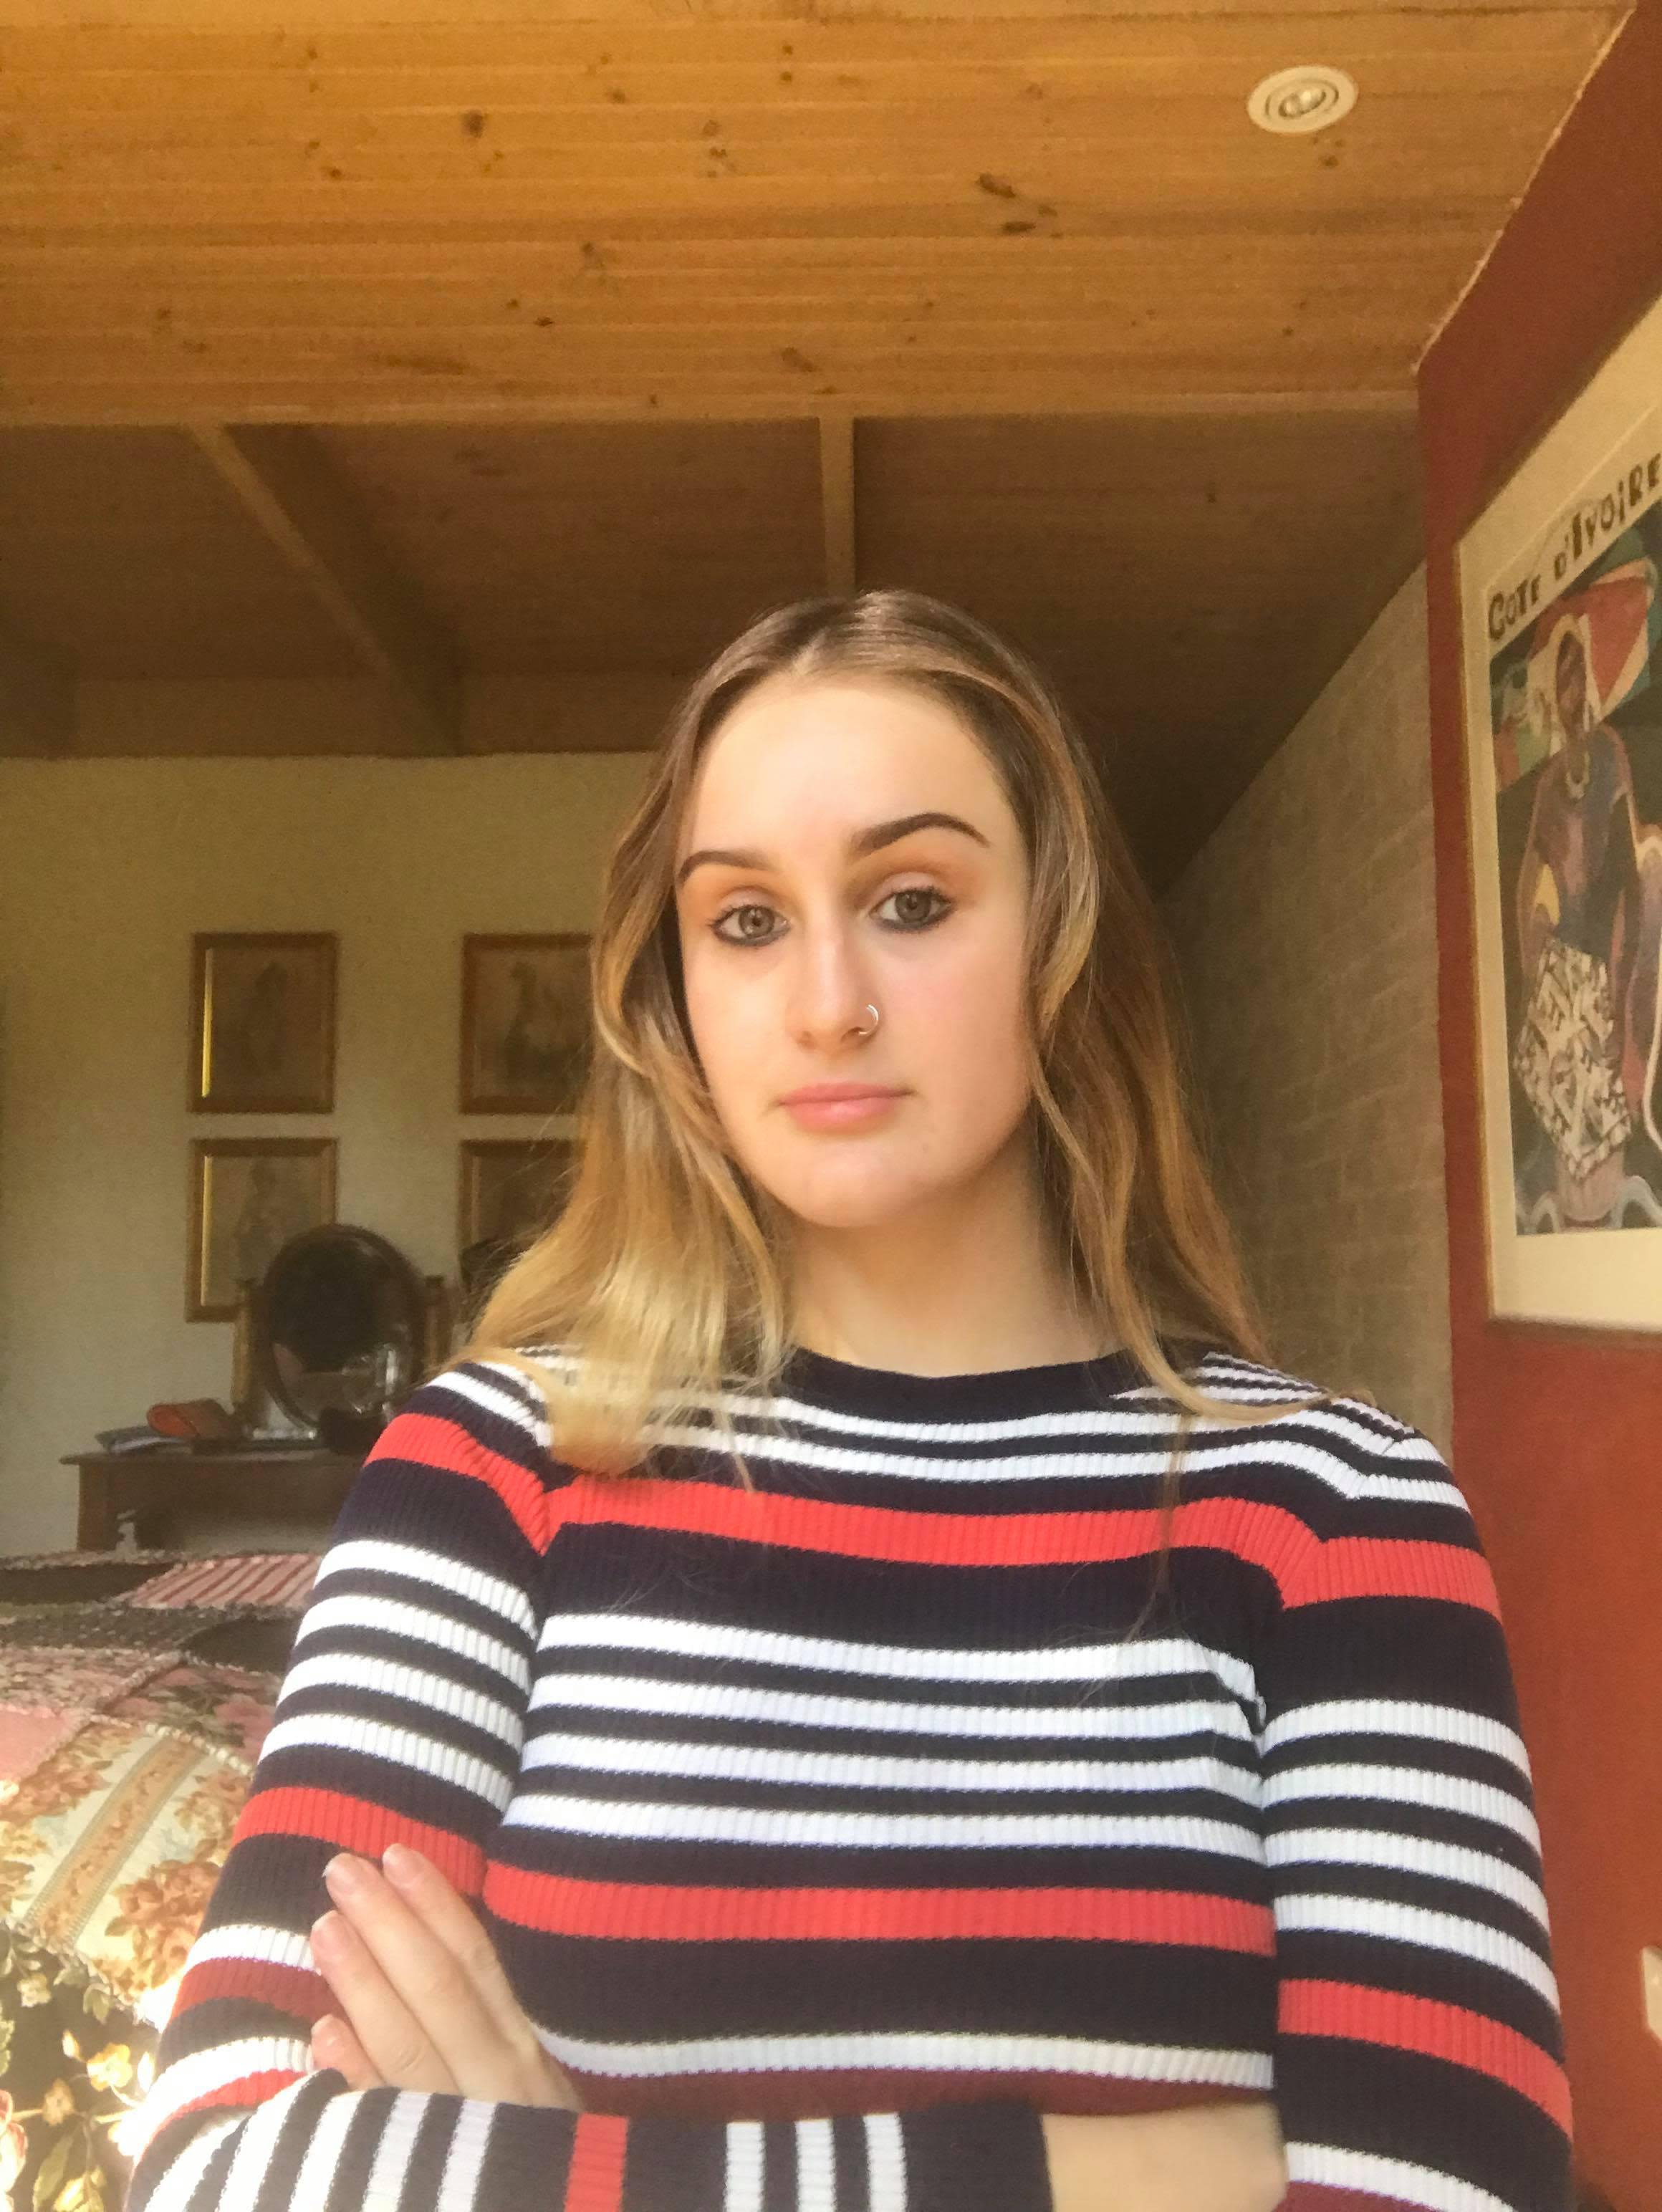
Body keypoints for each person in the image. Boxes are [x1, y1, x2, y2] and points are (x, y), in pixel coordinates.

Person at [123, 590, 1572, 2212]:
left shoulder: (1335, 1507)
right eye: (745, 920)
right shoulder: (487, 1470)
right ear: (676, 992)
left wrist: (554, 2155)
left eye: (911, 900)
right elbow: (219, 2170)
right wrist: (1131, 2172)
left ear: (1062, 941)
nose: (826, 1003)